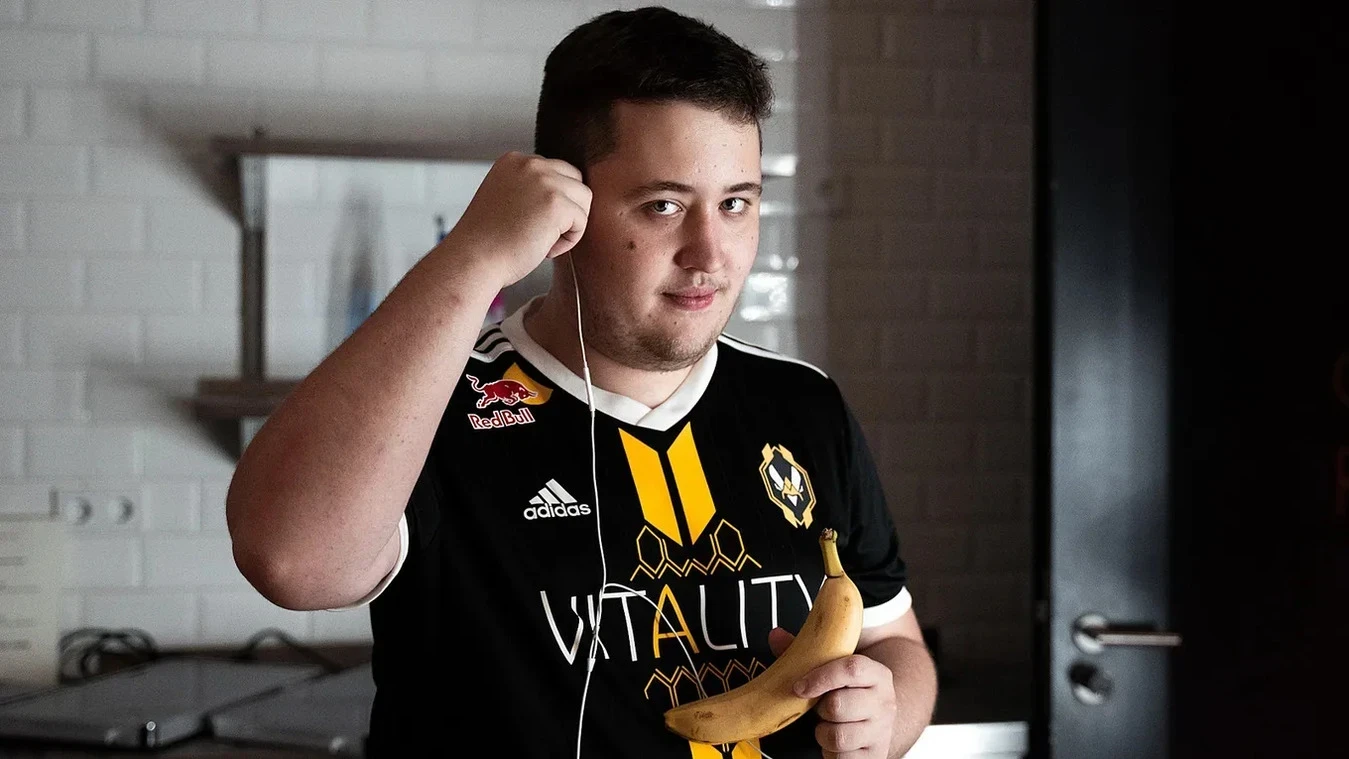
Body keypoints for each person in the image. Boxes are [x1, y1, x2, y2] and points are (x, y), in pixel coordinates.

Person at [226, 6, 937, 757]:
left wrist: (883, 718)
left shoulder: (802, 404)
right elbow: (291, 565)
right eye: (663, 205)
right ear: (564, 206)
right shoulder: (438, 404)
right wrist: (475, 254)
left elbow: (897, 643)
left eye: (735, 203)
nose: (710, 253)